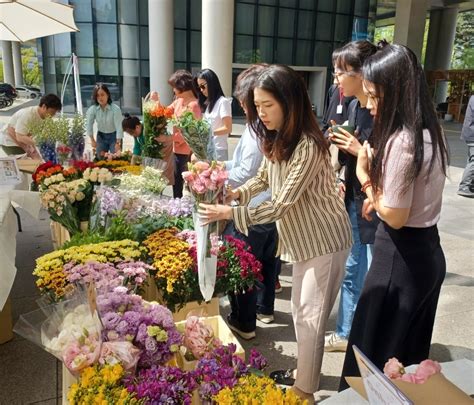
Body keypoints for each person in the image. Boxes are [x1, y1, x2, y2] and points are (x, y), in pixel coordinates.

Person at [198, 64, 352, 404]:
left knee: (309, 316)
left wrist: (230, 212)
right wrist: (238, 194)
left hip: (325, 240)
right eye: (258, 106)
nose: (261, 113)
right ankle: (305, 374)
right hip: (305, 240)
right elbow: (264, 179)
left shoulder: (309, 145)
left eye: (268, 105)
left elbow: (281, 204)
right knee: (301, 312)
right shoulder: (279, 136)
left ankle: (304, 392)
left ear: (289, 101)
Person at [339, 43, 448, 391]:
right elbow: (408, 203)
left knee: (373, 359)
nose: (368, 105)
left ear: (396, 92)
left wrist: (366, 178)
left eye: (374, 95)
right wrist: (384, 199)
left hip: (398, 260)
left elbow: (396, 217)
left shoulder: (403, 140)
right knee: (405, 359)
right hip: (426, 253)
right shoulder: (431, 132)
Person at [324, 40, 379, 353]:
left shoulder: (377, 109)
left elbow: (384, 161)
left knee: (369, 272)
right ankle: (346, 332)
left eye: (342, 72)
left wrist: (358, 151)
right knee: (352, 268)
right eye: (335, 72)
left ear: (363, 73)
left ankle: (365, 338)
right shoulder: (354, 104)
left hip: (373, 204)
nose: (336, 79)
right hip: (355, 196)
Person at [221, 64, 280, 340]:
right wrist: (219, 167)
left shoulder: (259, 129)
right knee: (266, 263)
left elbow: (247, 173)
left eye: (249, 104)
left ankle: (244, 323)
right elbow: (248, 169)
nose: (246, 108)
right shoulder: (262, 128)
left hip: (254, 211)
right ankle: (264, 309)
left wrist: (219, 179)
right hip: (264, 209)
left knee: (242, 266)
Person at [168, 70, 202, 198]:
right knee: (176, 182)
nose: (173, 90)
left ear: (182, 86)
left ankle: (187, 210)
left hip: (188, 152)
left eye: (174, 87)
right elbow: (164, 112)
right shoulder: (178, 101)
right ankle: (177, 207)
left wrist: (169, 138)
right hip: (176, 149)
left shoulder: (194, 105)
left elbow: (191, 132)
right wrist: (154, 103)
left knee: (190, 184)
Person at [1, 94, 62, 158]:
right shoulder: (28, 114)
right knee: (26, 164)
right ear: (44, 106)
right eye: (52, 112)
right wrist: (39, 143)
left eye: (55, 112)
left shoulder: (46, 117)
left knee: (37, 159)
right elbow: (19, 136)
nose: (53, 115)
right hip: (9, 141)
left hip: (21, 140)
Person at [195, 69, 232, 160]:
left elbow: (228, 128)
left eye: (203, 86)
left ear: (211, 83)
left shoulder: (223, 102)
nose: (201, 90)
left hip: (218, 150)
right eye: (199, 87)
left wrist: (208, 133)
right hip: (207, 149)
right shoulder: (209, 104)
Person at [86, 83, 123, 159]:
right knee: (100, 158)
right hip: (101, 136)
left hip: (114, 137)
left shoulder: (115, 109)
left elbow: (119, 126)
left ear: (108, 95)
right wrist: (92, 140)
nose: (100, 98)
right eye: (97, 95)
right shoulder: (93, 109)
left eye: (102, 95)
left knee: (115, 158)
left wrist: (118, 142)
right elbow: (89, 125)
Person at [457, 95, 474, 198]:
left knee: (471, 160)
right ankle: (464, 187)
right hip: (472, 134)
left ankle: (470, 185)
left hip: (470, 133)